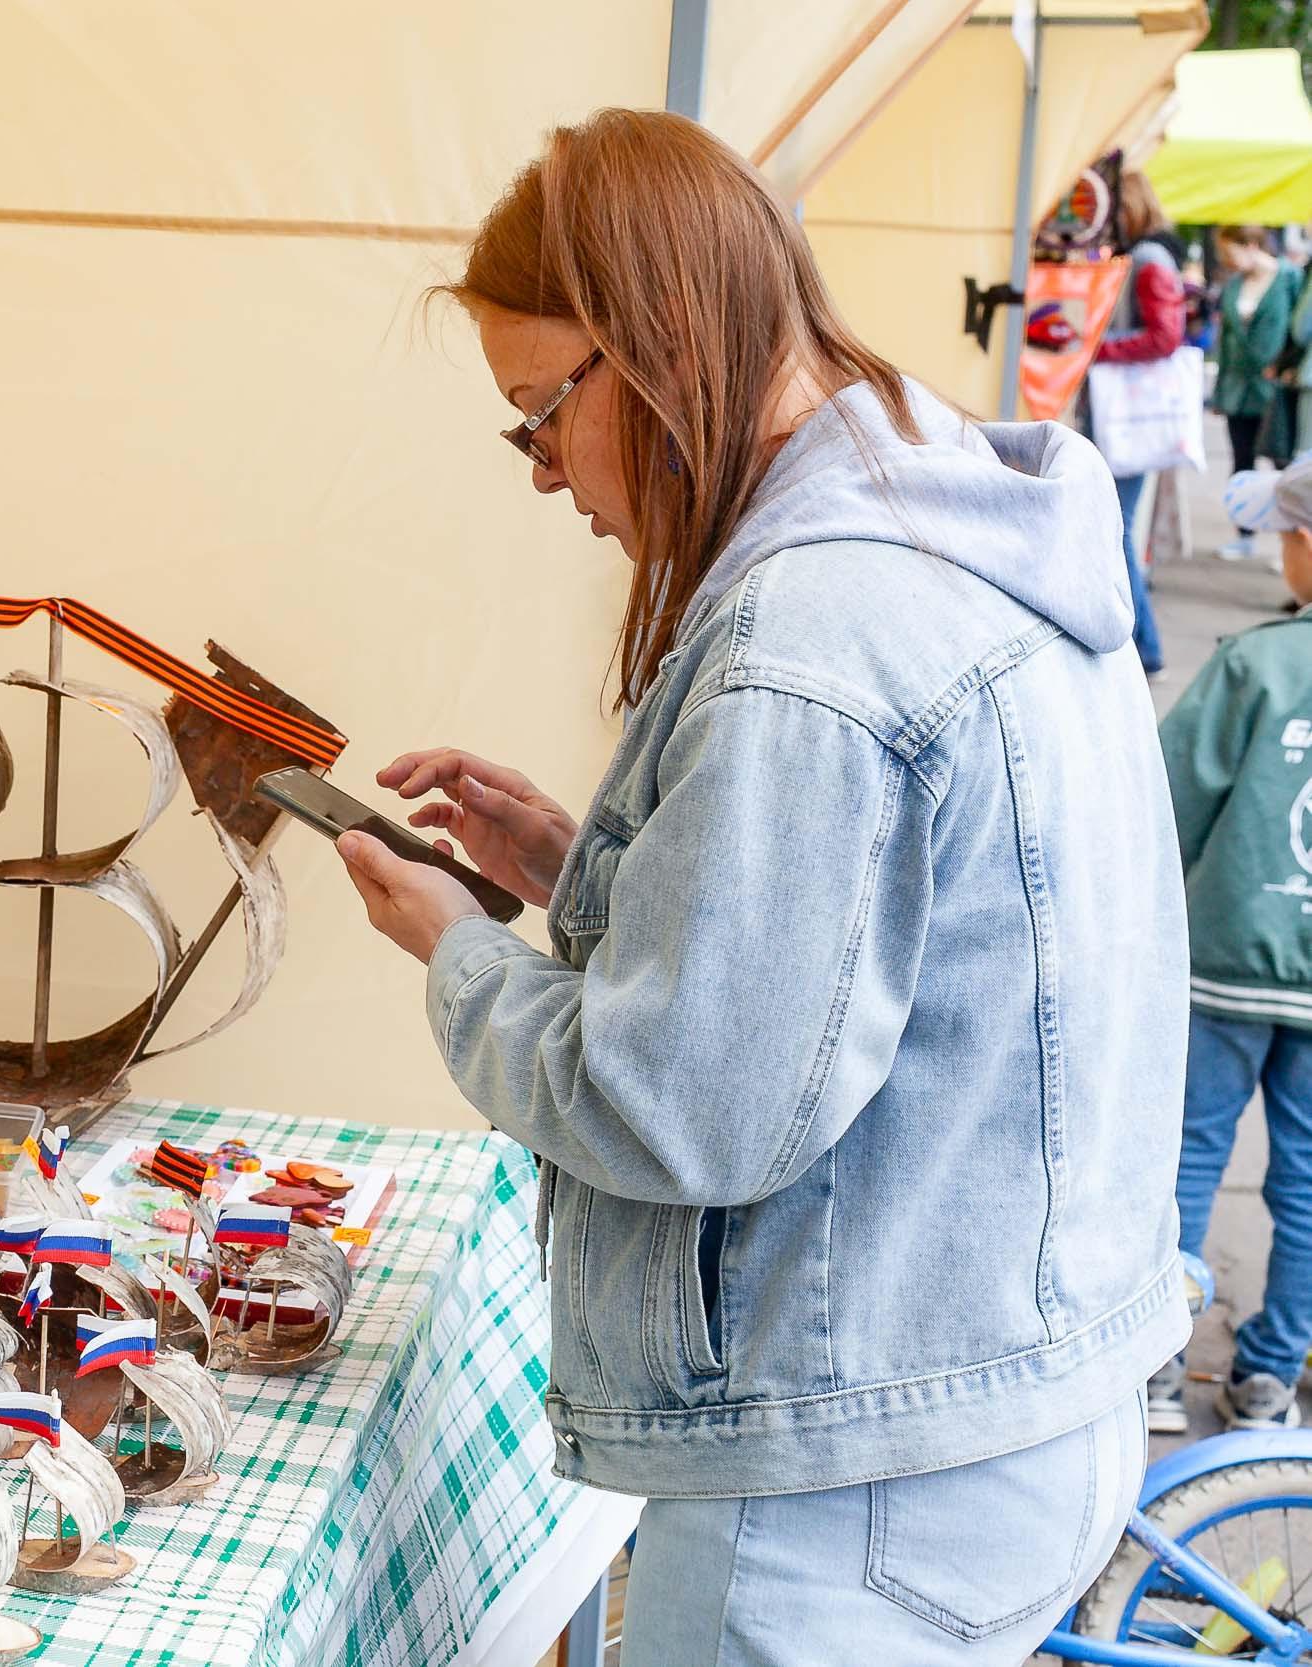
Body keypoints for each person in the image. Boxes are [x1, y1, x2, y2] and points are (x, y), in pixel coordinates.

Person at [336, 111, 1183, 1664]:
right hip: (1007, 1405)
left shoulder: (815, 635)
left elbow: (683, 1104)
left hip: (854, 1485)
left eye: (539, 415)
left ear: (653, 343)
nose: (542, 476)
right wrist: (588, 863)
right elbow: (907, 941)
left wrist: (459, 952)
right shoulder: (958, 517)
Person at [1148, 459, 1312, 1433]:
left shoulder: (1253, 664)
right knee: (1306, 1177)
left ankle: (1158, 1365)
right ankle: (1267, 1378)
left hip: (1222, 964)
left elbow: (1167, 803)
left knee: (1186, 1154)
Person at [1091, 170, 1187, 675]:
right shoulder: (1153, 256)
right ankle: (1142, 645)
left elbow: (1165, 336)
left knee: (1117, 530)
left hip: (1127, 415)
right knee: (1118, 528)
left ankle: (1145, 647)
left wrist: (1097, 350)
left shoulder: (1148, 259)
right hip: (1127, 416)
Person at [1213, 226, 1298, 552]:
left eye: (1229, 252)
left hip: (1273, 388)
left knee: (1284, 465)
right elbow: (1226, 341)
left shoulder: (1289, 279)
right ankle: (1244, 534)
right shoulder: (1234, 285)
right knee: (1241, 459)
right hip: (1238, 387)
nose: (1226, 260)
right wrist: (1220, 388)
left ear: (1250, 245)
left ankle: (1293, 541)